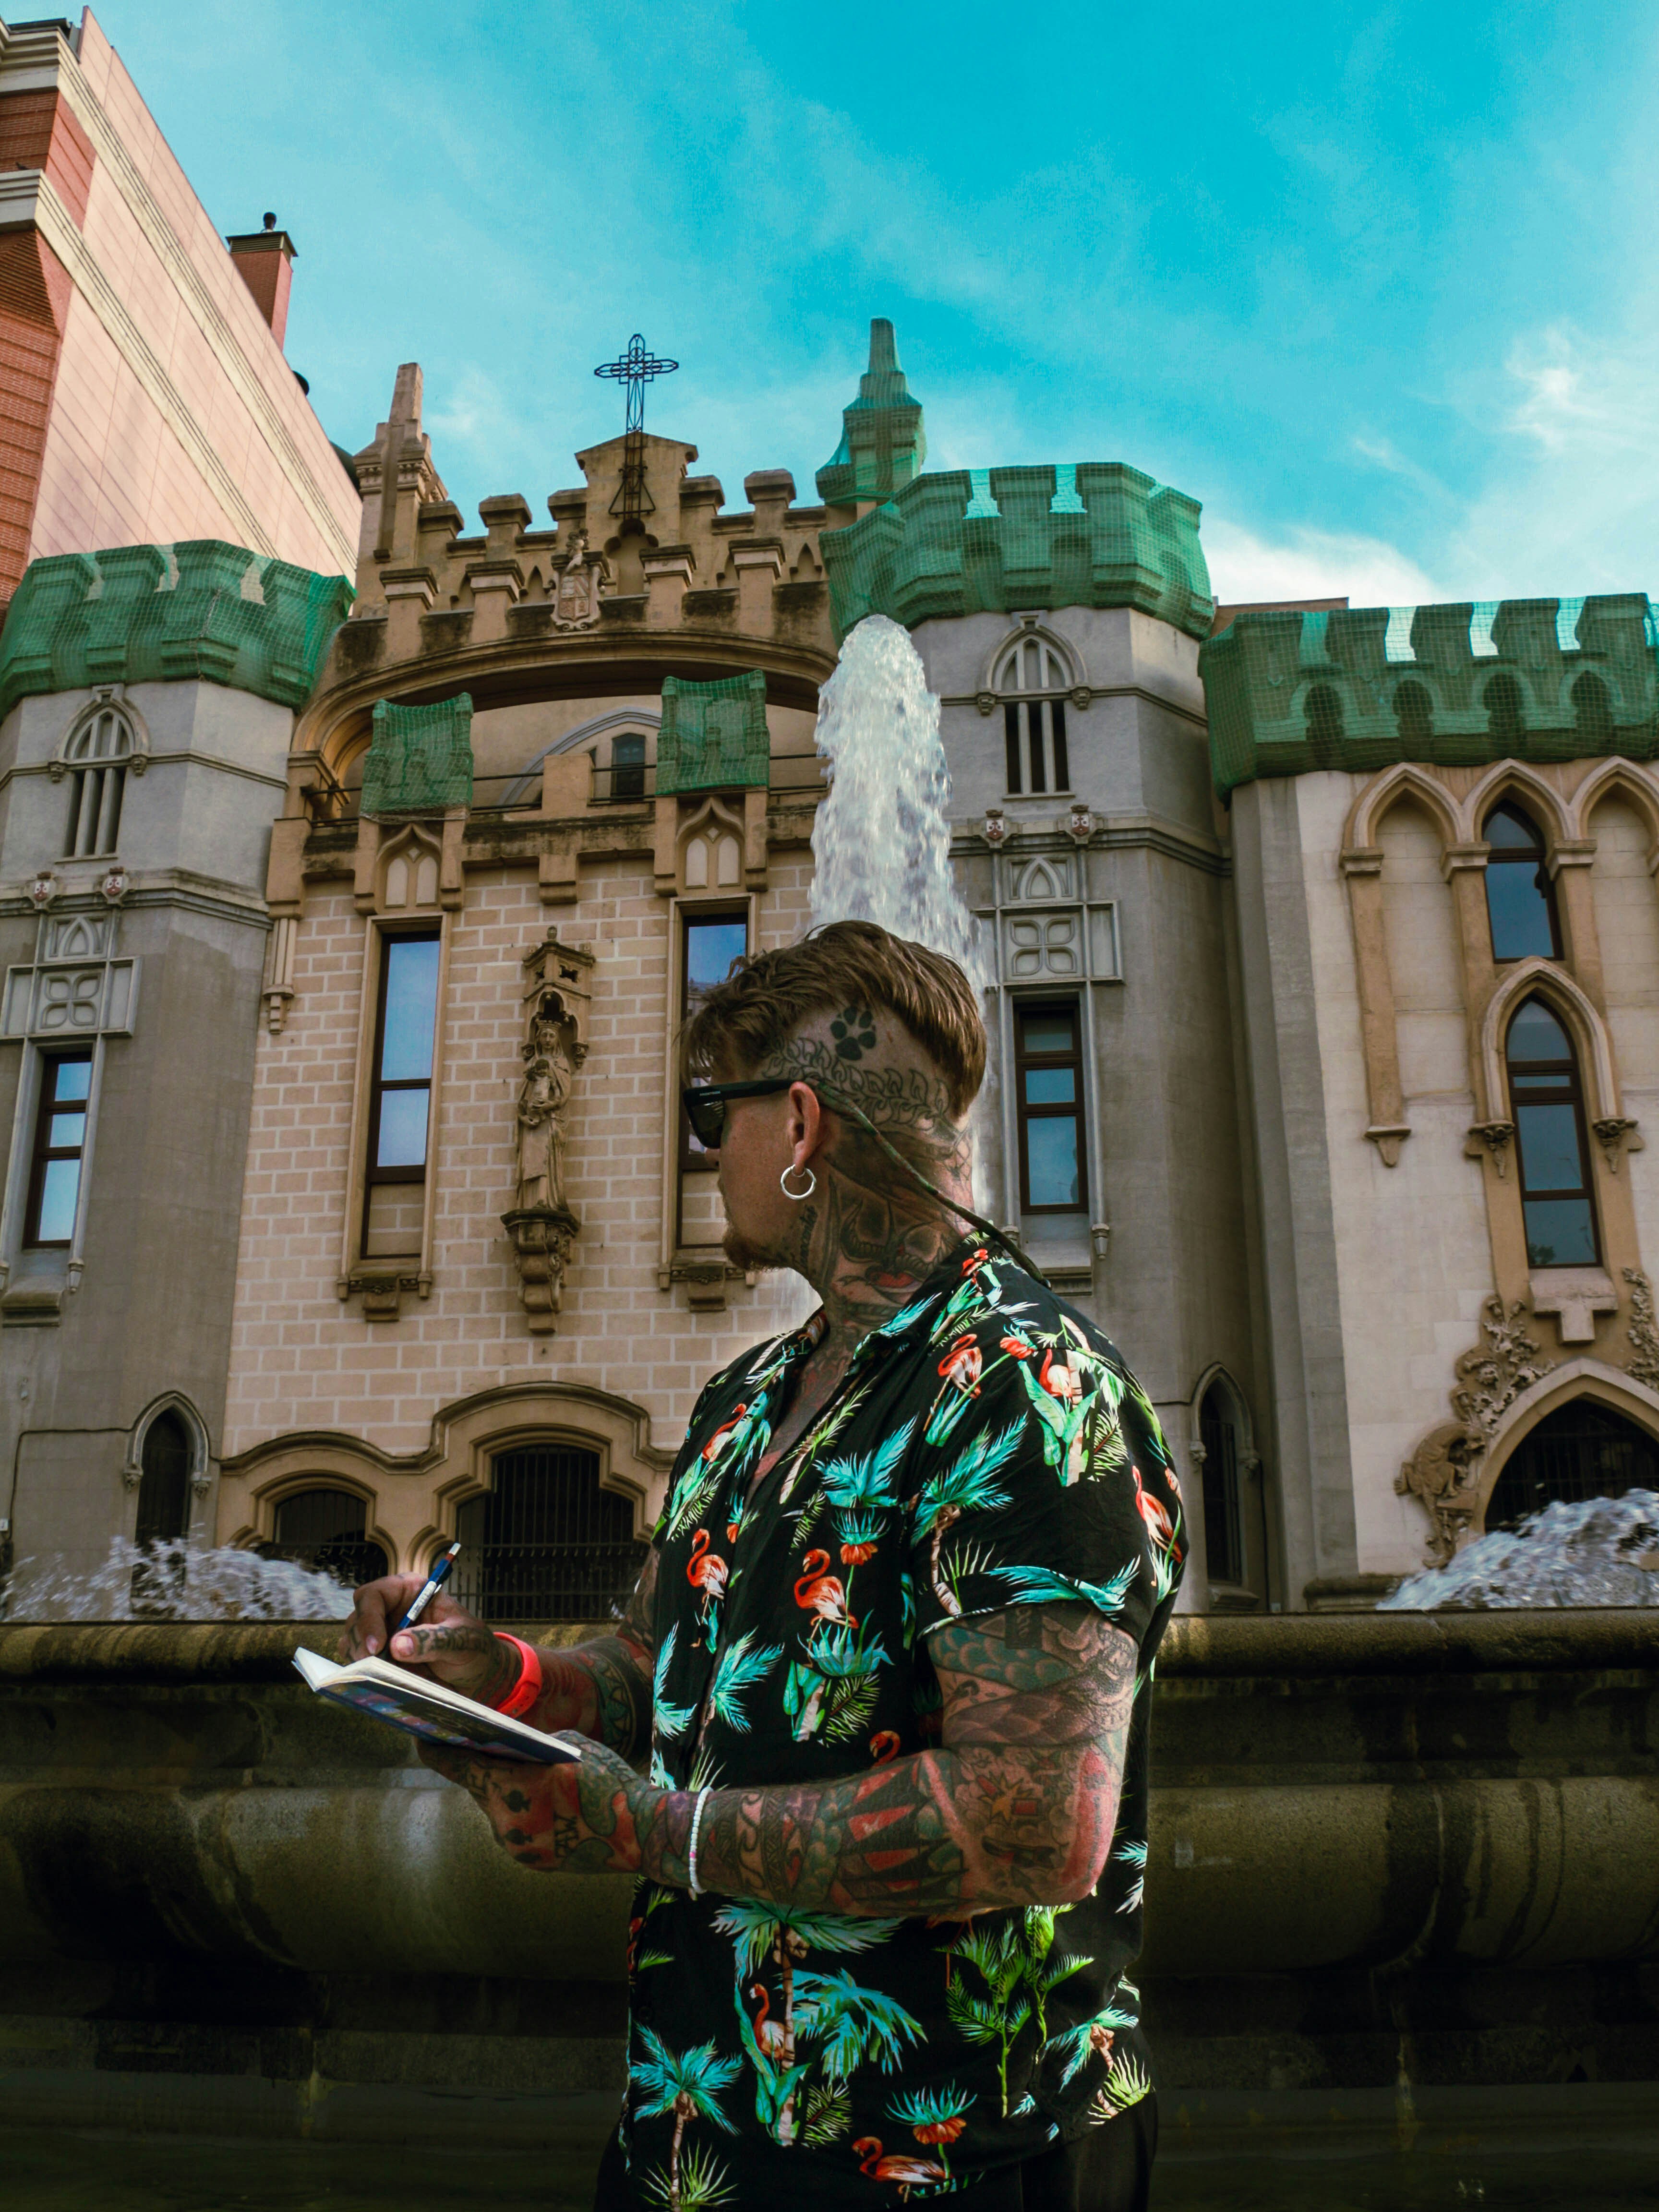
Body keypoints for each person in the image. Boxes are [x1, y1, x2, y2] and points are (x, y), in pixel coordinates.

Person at [342, 920, 1185, 2211]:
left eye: (707, 1115)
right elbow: (654, 1671)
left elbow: (1032, 1825)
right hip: (699, 2126)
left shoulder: (1027, 1388)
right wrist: (494, 1676)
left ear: (798, 1128)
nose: (705, 1153)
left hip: (955, 2161)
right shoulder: (751, 1398)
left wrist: (646, 1831)